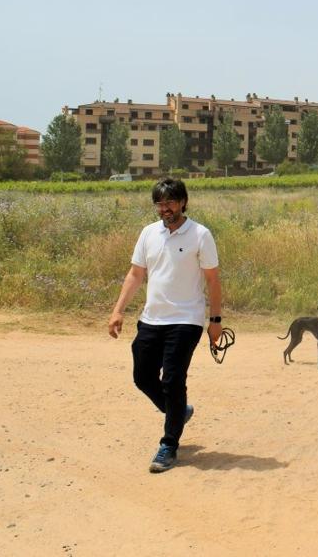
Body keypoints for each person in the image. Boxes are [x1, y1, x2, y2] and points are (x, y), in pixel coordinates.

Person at [108, 177, 222, 473]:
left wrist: (215, 321)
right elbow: (135, 275)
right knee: (142, 376)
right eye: (159, 203)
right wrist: (118, 310)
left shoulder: (200, 234)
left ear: (183, 202)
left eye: (170, 202)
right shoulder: (148, 233)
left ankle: (169, 444)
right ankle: (178, 411)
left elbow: (212, 280)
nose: (165, 209)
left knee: (173, 380)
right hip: (151, 318)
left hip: (186, 319)